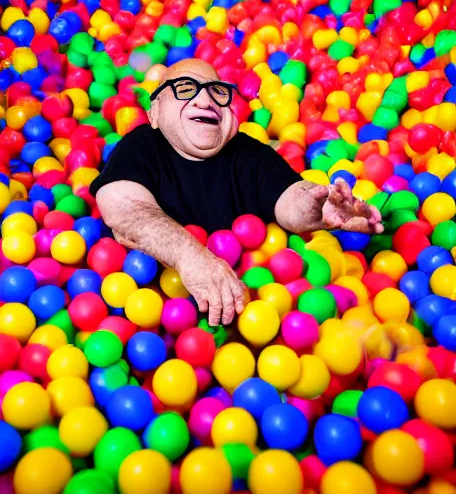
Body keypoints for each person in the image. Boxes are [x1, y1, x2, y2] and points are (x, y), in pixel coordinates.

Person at [91, 59, 383, 326]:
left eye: (217, 91)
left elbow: (289, 198)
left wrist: (319, 207)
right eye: (185, 88)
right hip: (146, 312)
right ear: (154, 112)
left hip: (255, 313)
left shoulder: (249, 153)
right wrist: (191, 257)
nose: (204, 100)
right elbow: (122, 207)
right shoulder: (141, 146)